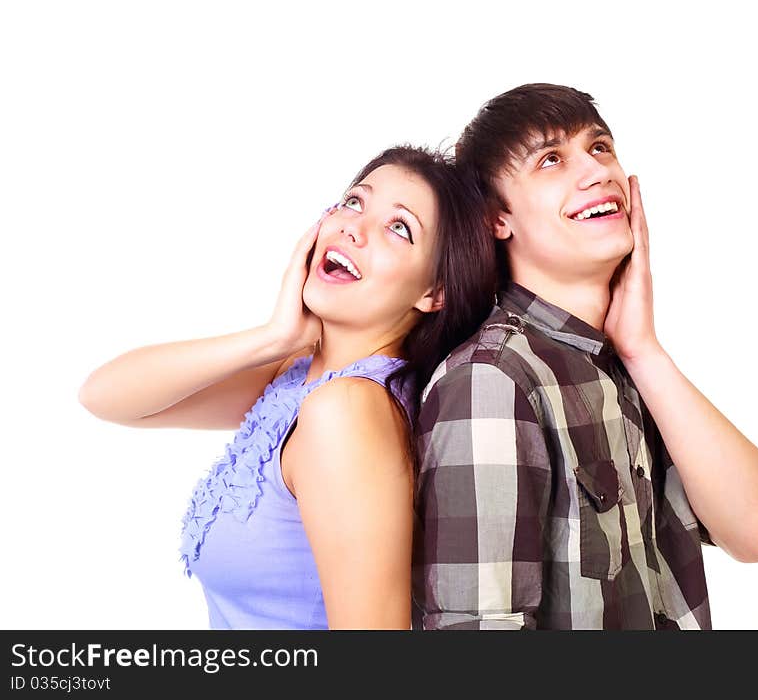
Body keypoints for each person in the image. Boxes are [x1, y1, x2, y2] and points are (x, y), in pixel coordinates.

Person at [412, 84, 758, 630]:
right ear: (498, 218)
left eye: (600, 146)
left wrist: (644, 350)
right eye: (551, 160)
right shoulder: (492, 380)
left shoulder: (620, 366)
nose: (595, 171)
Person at [79, 145, 496, 629]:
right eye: (354, 201)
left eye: (398, 227)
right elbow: (105, 396)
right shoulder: (296, 374)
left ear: (435, 291)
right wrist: (273, 337)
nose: (352, 228)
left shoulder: (346, 410)